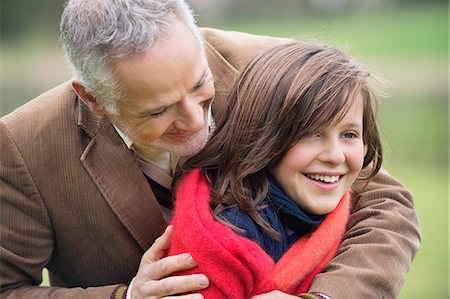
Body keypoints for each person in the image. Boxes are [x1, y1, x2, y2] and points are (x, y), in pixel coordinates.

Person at [0, 0, 420, 298]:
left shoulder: (271, 73)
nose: (197, 120)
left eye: (200, 85)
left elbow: (387, 205)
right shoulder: (21, 145)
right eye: (159, 110)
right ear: (92, 97)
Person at [168, 41, 382, 298]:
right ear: (265, 139)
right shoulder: (232, 230)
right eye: (312, 134)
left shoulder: (331, 201)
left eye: (349, 134)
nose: (335, 156)